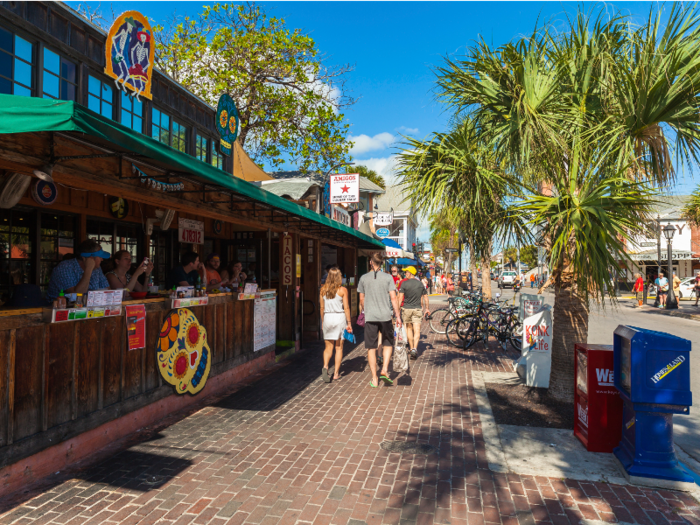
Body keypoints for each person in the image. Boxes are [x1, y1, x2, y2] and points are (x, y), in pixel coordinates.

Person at [358, 252, 402, 388]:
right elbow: (393, 298)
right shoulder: (388, 278)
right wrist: (398, 315)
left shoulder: (364, 278)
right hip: (385, 316)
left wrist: (366, 309)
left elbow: (361, 299)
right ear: (382, 263)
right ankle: (384, 369)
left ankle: (374, 378)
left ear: (371, 262)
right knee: (388, 343)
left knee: (371, 347)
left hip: (370, 317)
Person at [320, 267, 352, 383]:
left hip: (328, 317)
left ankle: (325, 366)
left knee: (328, 347)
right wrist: (349, 323)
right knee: (339, 347)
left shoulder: (323, 290)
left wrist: (323, 321)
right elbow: (347, 308)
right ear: (339, 277)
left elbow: (322, 308)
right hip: (339, 318)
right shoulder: (343, 290)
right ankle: (336, 374)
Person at [398, 266, 429, 360]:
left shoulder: (404, 284)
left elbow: (400, 298)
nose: (405, 274)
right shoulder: (420, 284)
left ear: (410, 273)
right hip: (417, 309)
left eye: (406, 272)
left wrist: (397, 310)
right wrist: (427, 308)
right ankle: (415, 348)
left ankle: (411, 348)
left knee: (408, 329)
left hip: (406, 309)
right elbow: (425, 297)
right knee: (417, 329)